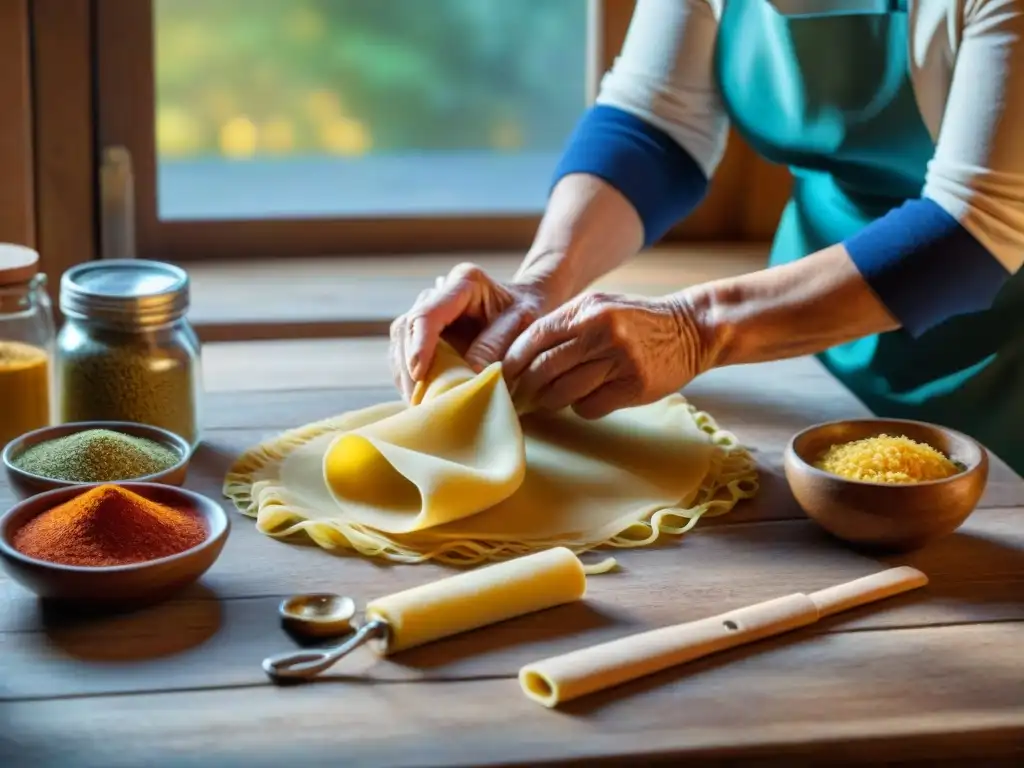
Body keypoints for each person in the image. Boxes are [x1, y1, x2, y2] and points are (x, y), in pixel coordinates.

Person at [389, 0, 1024, 475]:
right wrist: (540, 283)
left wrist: (699, 327)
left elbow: (977, 226)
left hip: (998, 373)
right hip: (807, 341)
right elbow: (653, 125)